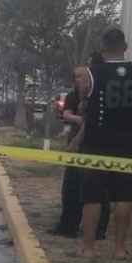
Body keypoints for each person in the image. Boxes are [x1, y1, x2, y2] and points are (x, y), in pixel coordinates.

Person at [79, 28, 132, 259]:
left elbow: (83, 99)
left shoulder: (92, 73)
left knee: (92, 197)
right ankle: (119, 249)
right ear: (125, 47)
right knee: (124, 197)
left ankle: (88, 248)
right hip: (127, 142)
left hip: (96, 142)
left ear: (102, 48)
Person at [52, 65, 110, 239]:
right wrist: (79, 119)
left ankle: (98, 231)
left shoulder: (98, 96)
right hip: (75, 147)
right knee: (71, 187)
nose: (79, 80)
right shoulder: (72, 95)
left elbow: (90, 124)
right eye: (76, 77)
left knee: (99, 190)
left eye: (83, 77)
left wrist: (80, 130)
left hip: (95, 148)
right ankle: (68, 226)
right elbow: (67, 114)